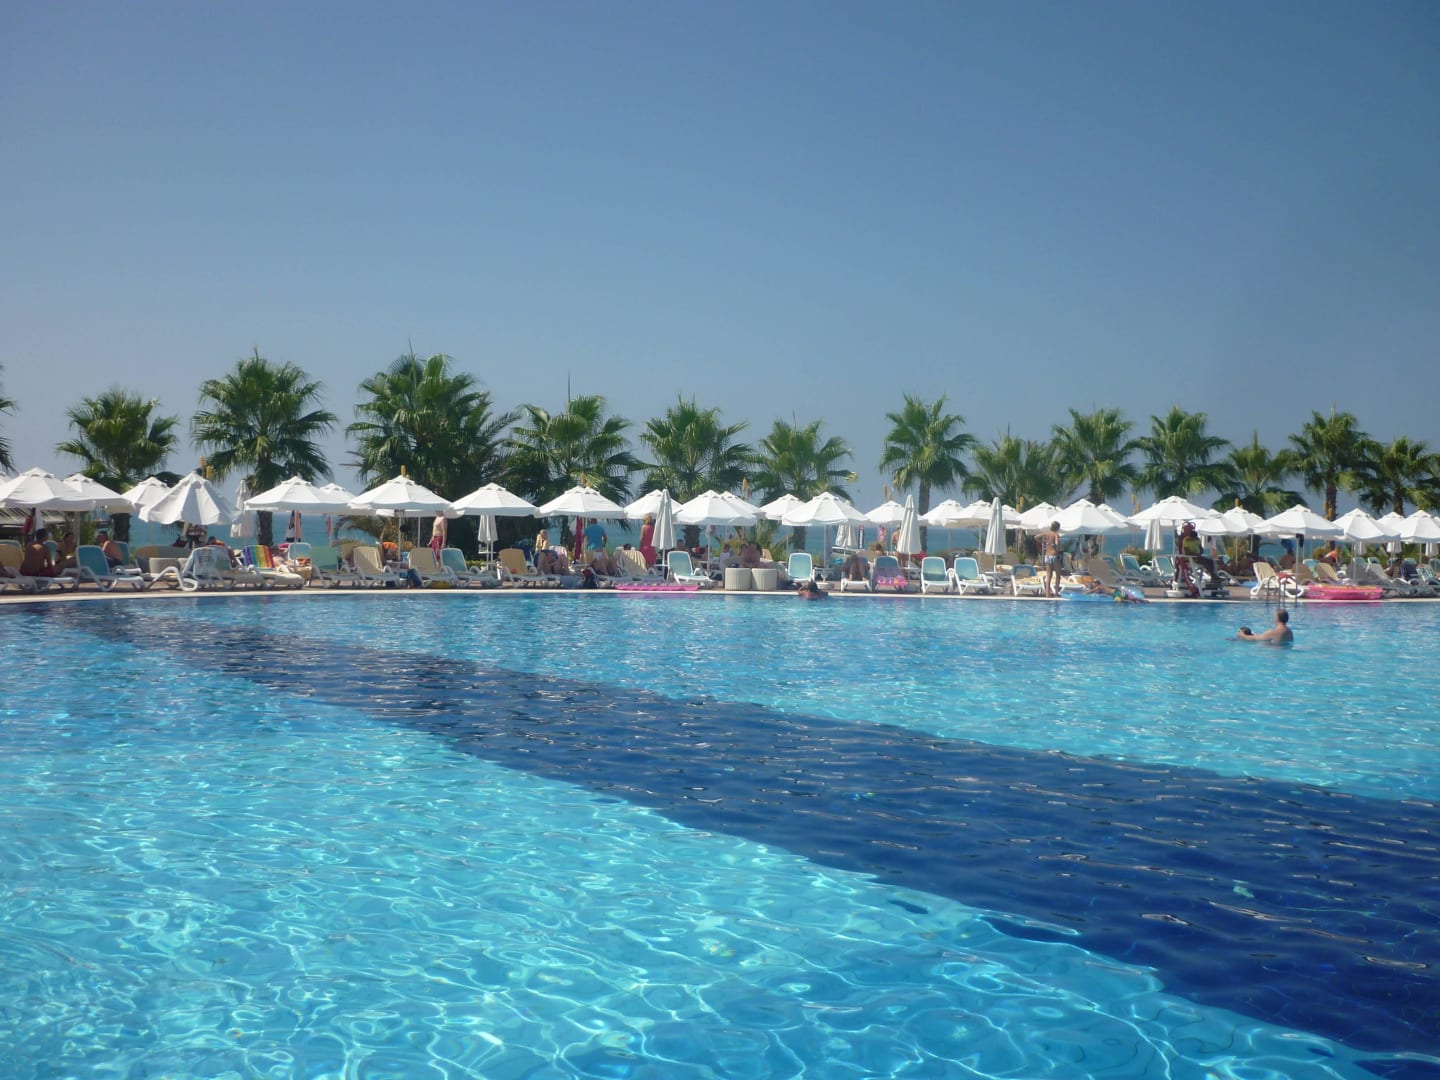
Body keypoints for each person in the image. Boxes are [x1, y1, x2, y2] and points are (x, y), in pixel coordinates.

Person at [1036, 521, 1063, 598]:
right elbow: (1057, 543)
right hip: (1054, 556)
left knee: (1049, 575)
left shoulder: (1047, 534)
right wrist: (1058, 546)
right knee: (1058, 575)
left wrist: (1043, 542)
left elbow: (1036, 537)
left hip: (1047, 556)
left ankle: (1047, 593)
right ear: (1057, 528)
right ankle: (1056, 593)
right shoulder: (1056, 534)